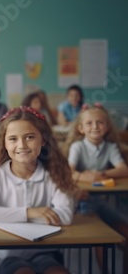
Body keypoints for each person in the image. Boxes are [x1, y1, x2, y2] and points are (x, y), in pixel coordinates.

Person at [0, 106, 76, 274]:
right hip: (6, 255)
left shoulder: (54, 174)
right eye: (13, 139)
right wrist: (32, 212)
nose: (22, 145)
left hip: (44, 253)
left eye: (30, 137)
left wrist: (5, 216)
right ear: (4, 143)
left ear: (43, 140)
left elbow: (66, 216)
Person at [63, 103, 128, 272]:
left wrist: (102, 174)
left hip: (100, 202)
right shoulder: (78, 146)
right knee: (101, 237)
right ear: (81, 128)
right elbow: (68, 172)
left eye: (100, 122)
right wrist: (82, 176)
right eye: (89, 123)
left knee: (125, 231)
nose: (95, 127)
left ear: (107, 127)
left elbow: (123, 169)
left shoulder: (110, 146)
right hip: (82, 201)